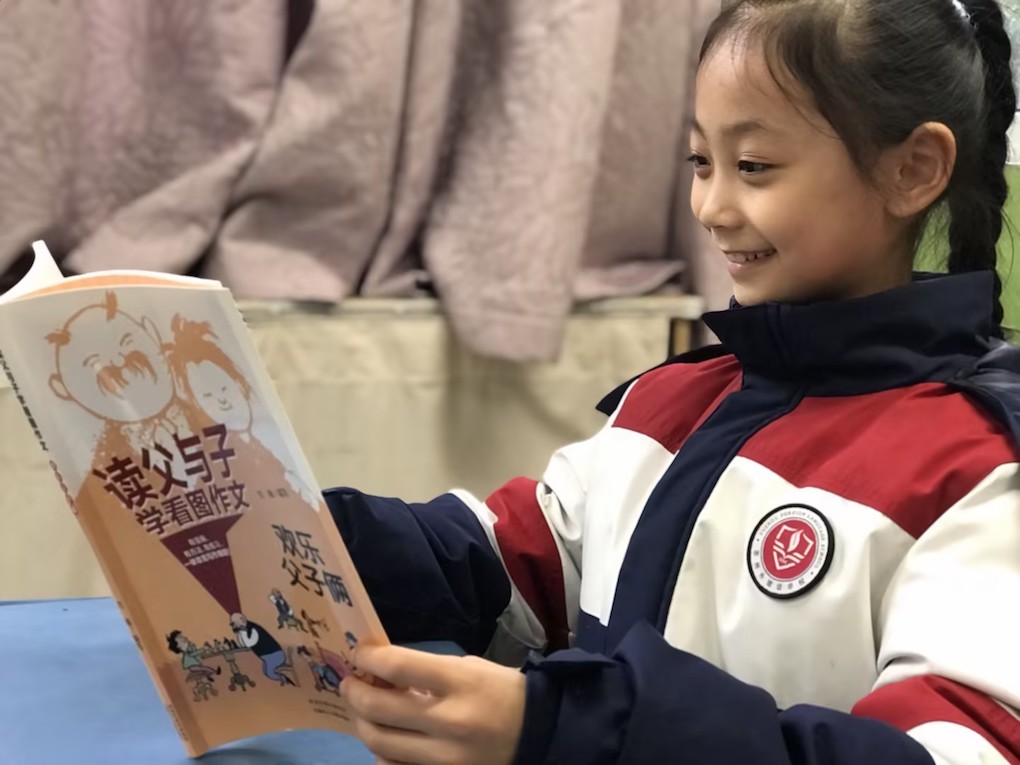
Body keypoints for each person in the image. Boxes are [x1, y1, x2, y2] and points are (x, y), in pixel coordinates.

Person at [328, 0, 1020, 762]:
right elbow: (518, 565)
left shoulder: (976, 473)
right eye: (700, 162)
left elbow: (947, 751)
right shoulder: (669, 405)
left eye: (753, 166)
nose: (711, 207)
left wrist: (572, 728)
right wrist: (321, 534)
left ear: (912, 169)